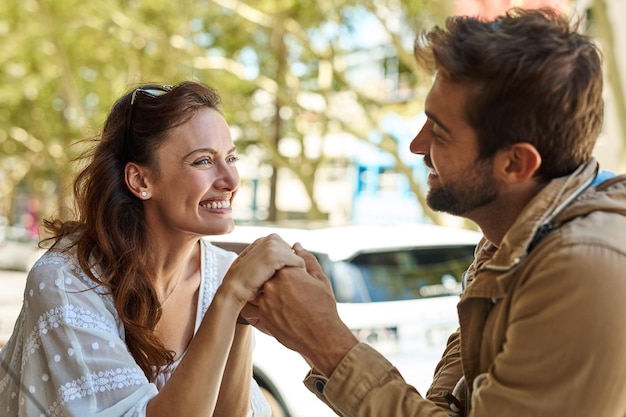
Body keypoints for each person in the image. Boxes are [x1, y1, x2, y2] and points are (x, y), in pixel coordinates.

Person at [243, 7, 626, 417]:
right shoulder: (510, 240)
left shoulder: (581, 267)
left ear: (515, 164)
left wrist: (324, 341)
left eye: (439, 131)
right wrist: (319, 332)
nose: (416, 146)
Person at [0, 81, 305, 416]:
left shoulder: (224, 272)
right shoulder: (66, 281)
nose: (230, 180)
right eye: (203, 161)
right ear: (140, 181)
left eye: (231, 158)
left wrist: (239, 318)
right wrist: (228, 300)